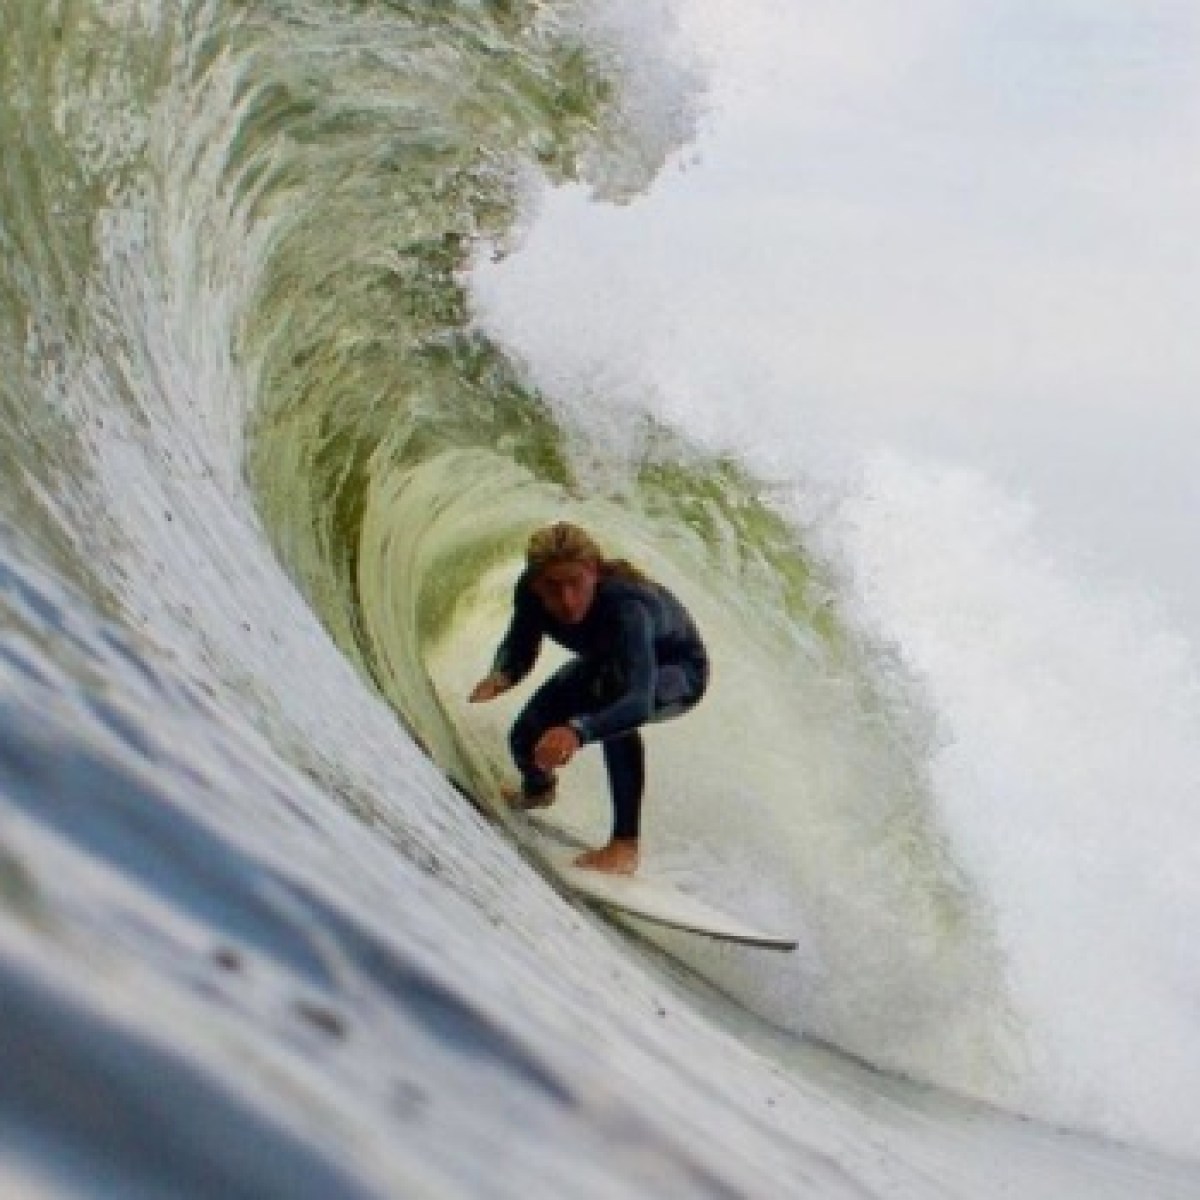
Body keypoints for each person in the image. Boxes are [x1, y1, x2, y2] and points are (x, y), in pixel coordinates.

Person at [469, 522, 709, 875]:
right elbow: (521, 644)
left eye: (575, 584)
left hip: (677, 673)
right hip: (608, 665)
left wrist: (577, 731)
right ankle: (539, 791)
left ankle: (625, 846)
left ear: (594, 572)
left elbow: (637, 701)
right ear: (536, 583)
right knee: (525, 737)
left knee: (613, 704)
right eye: (553, 587)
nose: (566, 600)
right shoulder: (530, 592)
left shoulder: (627, 606)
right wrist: (501, 674)